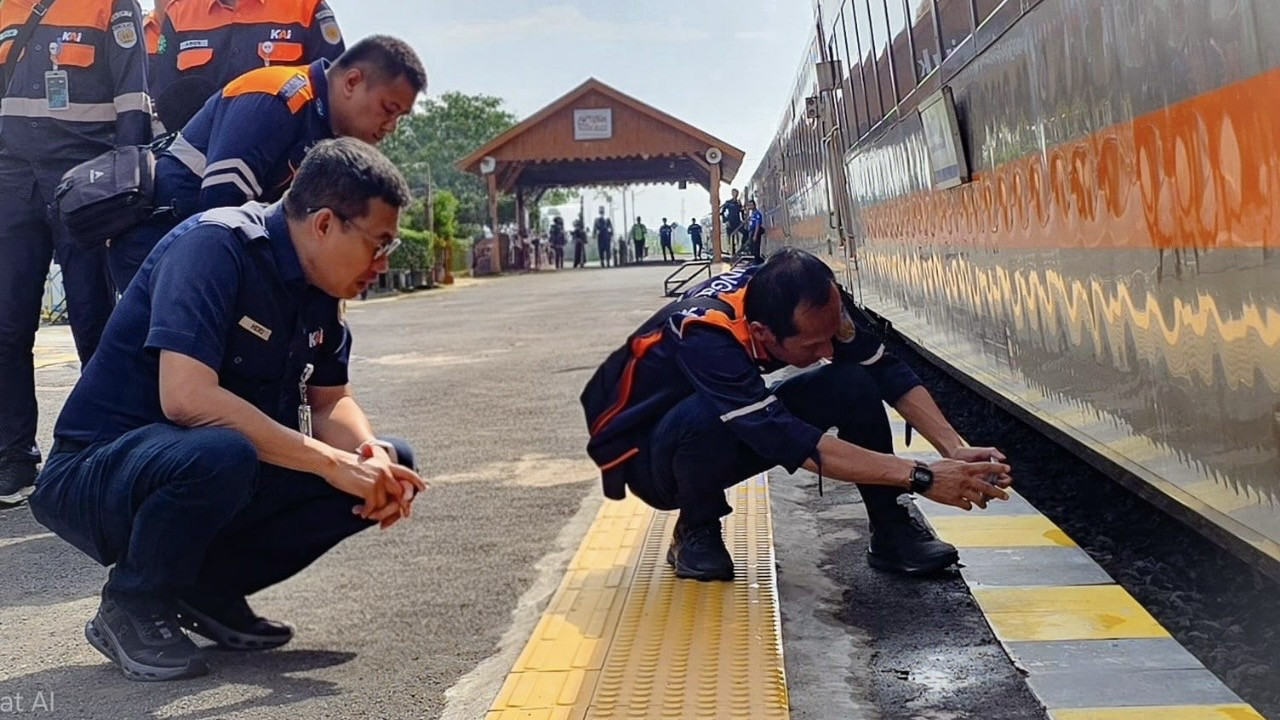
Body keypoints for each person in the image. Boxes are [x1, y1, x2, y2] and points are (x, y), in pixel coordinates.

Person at [29, 138, 428, 682]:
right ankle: (131, 601)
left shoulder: (319, 290)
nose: (382, 263)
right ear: (326, 224)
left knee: (384, 463)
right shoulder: (216, 248)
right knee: (227, 452)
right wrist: (333, 463)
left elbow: (332, 400)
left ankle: (203, 591)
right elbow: (187, 398)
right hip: (98, 474)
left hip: (204, 468)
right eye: (379, 244)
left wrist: (369, 455)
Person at [582, 249, 1012, 581]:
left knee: (853, 381)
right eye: (811, 346)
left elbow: (882, 367)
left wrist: (954, 448)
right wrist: (924, 475)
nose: (826, 352)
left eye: (829, 338)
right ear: (762, 333)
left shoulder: (795, 298)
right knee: (708, 414)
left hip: (712, 421)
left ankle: (891, 530)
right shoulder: (704, 332)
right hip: (643, 456)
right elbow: (779, 436)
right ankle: (697, 528)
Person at [107, 34, 425, 291]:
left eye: (400, 116)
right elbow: (220, 212)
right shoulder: (275, 97)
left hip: (199, 253)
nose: (391, 126)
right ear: (352, 82)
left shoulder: (324, 131)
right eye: (388, 108)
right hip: (160, 248)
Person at [0, 0, 151, 506]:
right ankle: (15, 458)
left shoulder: (112, 5)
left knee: (94, 318)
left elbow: (133, 100)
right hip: (11, 181)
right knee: (6, 324)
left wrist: (126, 191)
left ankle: (106, 449)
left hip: (84, 180)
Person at [150, 0, 346, 129]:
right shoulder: (179, 14)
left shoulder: (306, 7)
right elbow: (167, 100)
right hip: (201, 163)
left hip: (287, 165)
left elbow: (338, 96)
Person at [720, 189, 744, 255]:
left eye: (736, 193)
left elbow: (741, 211)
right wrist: (725, 221)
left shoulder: (739, 203)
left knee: (745, 233)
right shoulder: (728, 202)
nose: (734, 194)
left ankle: (742, 248)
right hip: (730, 222)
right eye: (733, 192)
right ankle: (732, 253)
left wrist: (743, 219)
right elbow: (722, 212)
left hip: (737, 221)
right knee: (731, 238)